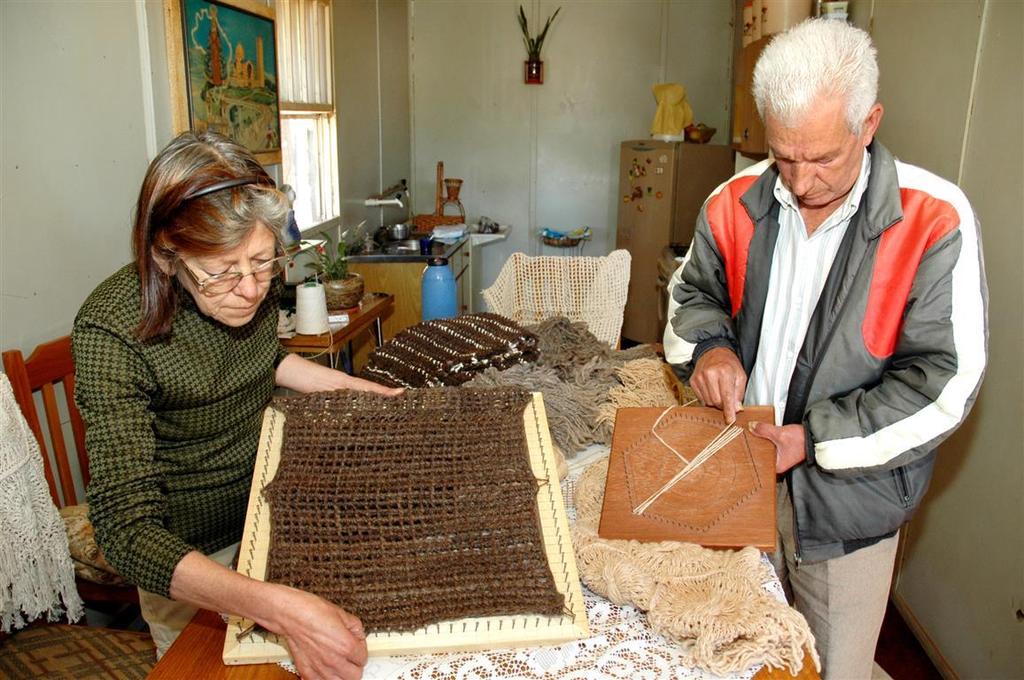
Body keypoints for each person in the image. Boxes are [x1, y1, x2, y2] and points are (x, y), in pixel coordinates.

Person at [663, 19, 986, 679]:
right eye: (783, 157)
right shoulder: (731, 203)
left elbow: (942, 385)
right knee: (736, 659)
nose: (801, 183)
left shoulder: (934, 219)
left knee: (834, 668)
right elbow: (689, 299)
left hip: (850, 509)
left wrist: (809, 439)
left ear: (868, 125)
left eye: (821, 159)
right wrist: (710, 353)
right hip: (740, 478)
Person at [72, 131, 400, 680]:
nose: (250, 289)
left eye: (264, 262)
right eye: (223, 270)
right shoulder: (111, 329)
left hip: (272, 523)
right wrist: (279, 607)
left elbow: (262, 359)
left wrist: (367, 394)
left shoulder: (250, 279)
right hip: (188, 564)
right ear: (164, 253)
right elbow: (128, 535)